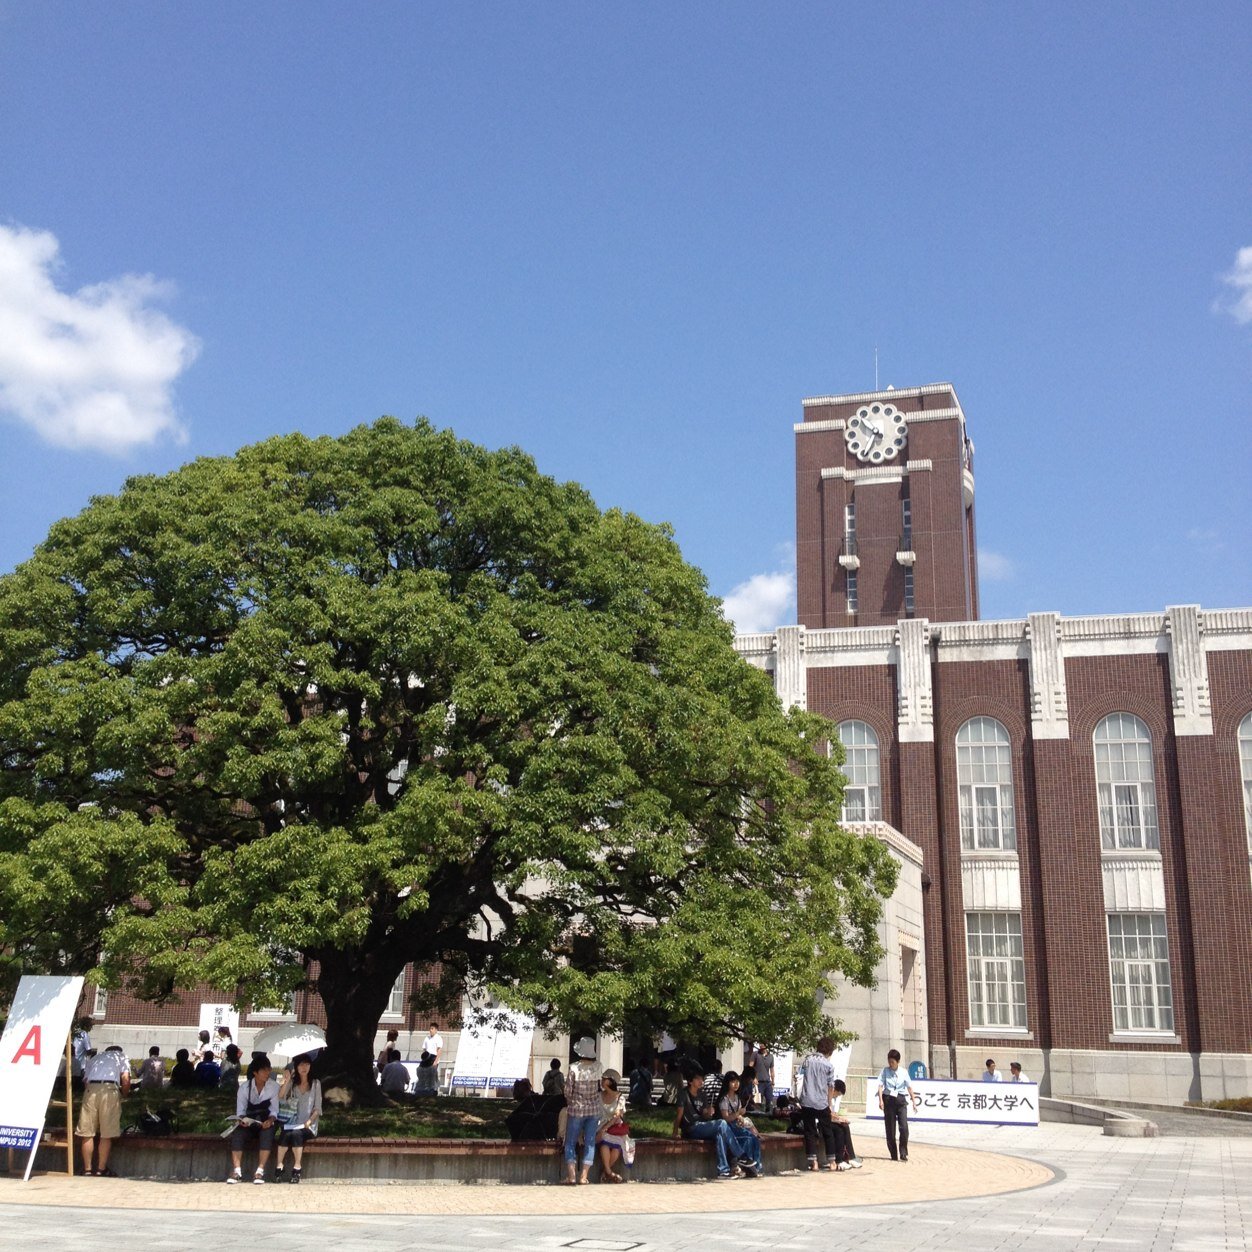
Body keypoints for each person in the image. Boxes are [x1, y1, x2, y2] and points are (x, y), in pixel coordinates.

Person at [672, 1071, 750, 1180]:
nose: (701, 1081)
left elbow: (705, 1115)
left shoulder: (702, 1094)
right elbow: (679, 1115)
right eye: (698, 1079)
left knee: (720, 1135)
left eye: (702, 1079)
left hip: (702, 1126)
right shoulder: (683, 1094)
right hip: (690, 1128)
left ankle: (723, 1170)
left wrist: (709, 1112)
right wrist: (675, 1133)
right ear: (690, 1081)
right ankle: (741, 1156)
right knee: (722, 1122)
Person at [76, 1043, 131, 1176]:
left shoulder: (96, 1058)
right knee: (106, 1133)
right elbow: (125, 1079)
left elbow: (85, 1081)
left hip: (91, 1090)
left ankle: (87, 1169)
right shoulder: (121, 1057)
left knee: (87, 1132)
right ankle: (101, 1169)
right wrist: (125, 1094)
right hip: (109, 1089)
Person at [227, 1056, 280, 1183]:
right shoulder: (245, 1088)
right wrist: (242, 1120)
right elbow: (240, 1111)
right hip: (249, 1123)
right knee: (238, 1133)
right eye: (264, 1070)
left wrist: (270, 1120)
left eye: (269, 1070)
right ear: (255, 1072)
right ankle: (236, 1171)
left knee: (268, 1133)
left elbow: (275, 1110)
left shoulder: (274, 1087)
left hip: (266, 1122)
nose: (267, 1073)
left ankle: (260, 1171)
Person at [274, 1053, 321, 1183]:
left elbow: (318, 1108)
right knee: (285, 1133)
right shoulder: (293, 1084)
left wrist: (310, 1121)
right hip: (292, 1122)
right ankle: (279, 1165)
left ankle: (297, 1167)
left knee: (296, 1134)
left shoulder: (316, 1084)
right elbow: (280, 1096)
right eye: (301, 1065)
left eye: (306, 1064)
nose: (304, 1067)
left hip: (308, 1125)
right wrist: (287, 1080)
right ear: (296, 1067)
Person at [797, 1036, 841, 1171]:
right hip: (821, 1102)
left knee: (809, 1132)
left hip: (807, 1100)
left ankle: (813, 1162)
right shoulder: (829, 1065)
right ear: (829, 1051)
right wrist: (830, 1105)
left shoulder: (807, 1060)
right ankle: (832, 1162)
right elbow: (830, 1086)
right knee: (827, 1131)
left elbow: (799, 1076)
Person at [563, 1036, 603, 1185]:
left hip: (576, 1109)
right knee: (590, 1142)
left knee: (571, 1141)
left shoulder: (573, 1067)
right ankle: (584, 1176)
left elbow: (568, 1091)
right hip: (593, 1110)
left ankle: (572, 1175)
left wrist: (571, 1100)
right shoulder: (598, 1067)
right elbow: (600, 1087)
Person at [876, 1048, 919, 1162]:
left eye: (893, 1062)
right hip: (888, 1099)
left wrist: (914, 1101)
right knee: (890, 1129)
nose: (890, 1064)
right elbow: (880, 1086)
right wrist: (880, 1100)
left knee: (904, 1128)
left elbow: (909, 1087)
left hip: (900, 1100)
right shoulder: (885, 1071)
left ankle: (903, 1152)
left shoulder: (903, 1072)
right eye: (889, 1061)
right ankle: (893, 1153)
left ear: (898, 1062)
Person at [717, 1070, 764, 1176]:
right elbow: (726, 1118)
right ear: (727, 1083)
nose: (736, 1084)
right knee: (747, 1139)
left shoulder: (737, 1098)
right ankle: (745, 1166)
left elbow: (737, 1116)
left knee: (754, 1139)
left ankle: (756, 1166)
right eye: (733, 1082)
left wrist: (741, 1118)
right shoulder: (724, 1099)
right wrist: (738, 1113)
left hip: (737, 1126)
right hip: (729, 1128)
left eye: (737, 1081)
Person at [595, 1069, 632, 1182]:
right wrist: (601, 1129)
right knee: (604, 1145)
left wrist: (604, 1129)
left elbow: (617, 1116)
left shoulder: (620, 1098)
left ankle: (606, 1172)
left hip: (614, 1128)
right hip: (599, 1126)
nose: (602, 1080)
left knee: (616, 1148)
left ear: (611, 1081)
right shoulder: (598, 1096)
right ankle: (609, 1172)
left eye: (604, 1079)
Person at [830, 1078, 862, 1169]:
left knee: (845, 1126)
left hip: (830, 1120)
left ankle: (850, 1157)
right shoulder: (827, 1096)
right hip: (822, 1123)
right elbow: (828, 1115)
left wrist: (840, 1119)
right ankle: (839, 1160)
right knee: (839, 1130)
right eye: (838, 1094)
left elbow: (833, 1113)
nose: (836, 1097)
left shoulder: (832, 1099)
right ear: (834, 1090)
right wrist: (839, 1119)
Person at [754, 1045, 775, 1112]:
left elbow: (772, 1070)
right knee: (758, 1101)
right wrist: (753, 1078)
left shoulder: (771, 1056)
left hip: (767, 1081)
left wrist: (773, 1081)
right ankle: (758, 1116)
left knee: (769, 1100)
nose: (762, 1047)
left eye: (763, 1046)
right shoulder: (756, 1054)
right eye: (761, 1046)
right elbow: (750, 1066)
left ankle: (768, 1115)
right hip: (758, 1082)